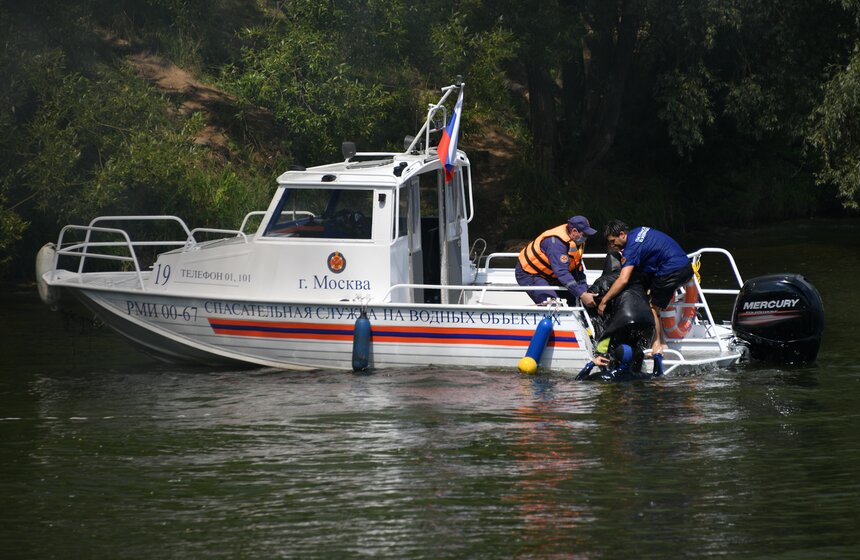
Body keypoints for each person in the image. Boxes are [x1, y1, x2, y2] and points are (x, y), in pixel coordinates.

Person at [597, 219, 693, 357]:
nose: (612, 245)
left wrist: (604, 301)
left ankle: (657, 345)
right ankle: (663, 342)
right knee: (654, 301)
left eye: (613, 241)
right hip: (685, 267)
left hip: (671, 271)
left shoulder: (631, 249)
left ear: (622, 235)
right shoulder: (637, 231)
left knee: (652, 306)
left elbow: (623, 279)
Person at [515, 216, 598, 307]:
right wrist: (582, 294)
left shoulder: (576, 241)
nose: (586, 237)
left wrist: (584, 291)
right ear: (574, 231)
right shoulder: (556, 244)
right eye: (585, 234)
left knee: (577, 298)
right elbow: (562, 273)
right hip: (530, 274)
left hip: (552, 274)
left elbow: (577, 268)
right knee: (553, 305)